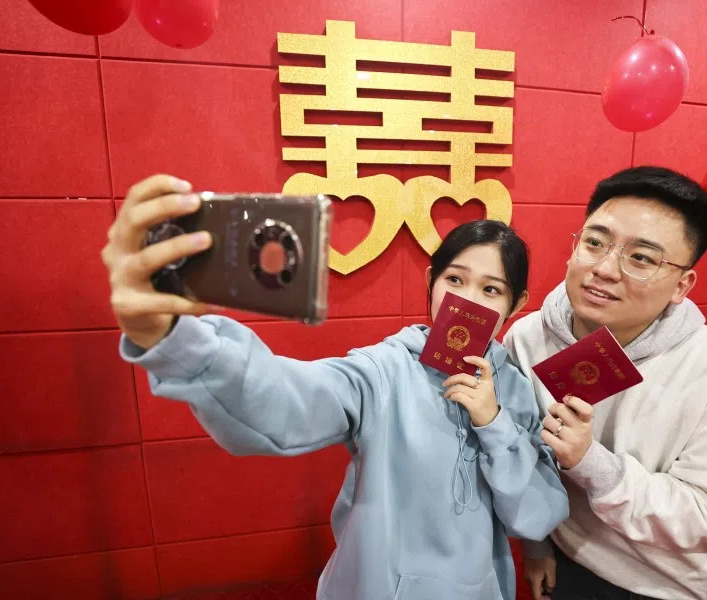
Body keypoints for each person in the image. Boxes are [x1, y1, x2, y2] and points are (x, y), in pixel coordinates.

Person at [102, 174, 570, 600]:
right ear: (431, 282)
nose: (467, 300)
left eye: (491, 290)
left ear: (516, 304)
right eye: (454, 279)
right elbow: (289, 399)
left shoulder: (513, 389)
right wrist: (178, 341)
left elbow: (536, 514)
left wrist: (494, 425)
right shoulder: (383, 370)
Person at [504, 166, 707, 600]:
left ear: (682, 284)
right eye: (595, 242)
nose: (605, 268)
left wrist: (593, 465)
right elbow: (522, 457)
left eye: (641, 258)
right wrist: (537, 544)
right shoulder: (528, 338)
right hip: (569, 558)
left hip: (672, 585)